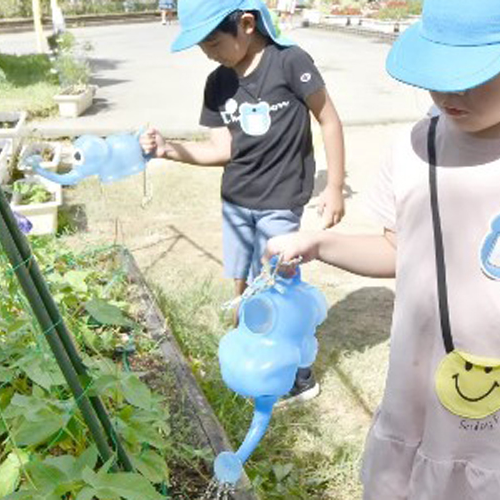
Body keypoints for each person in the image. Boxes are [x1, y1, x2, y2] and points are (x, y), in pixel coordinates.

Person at [265, 0, 500, 498]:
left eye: (476, 72)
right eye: (440, 69)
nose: (451, 91)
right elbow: (399, 251)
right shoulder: (414, 147)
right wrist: (320, 243)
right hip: (412, 406)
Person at [141, 0, 347, 404]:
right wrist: (169, 149)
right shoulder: (218, 83)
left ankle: (297, 377)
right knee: (242, 280)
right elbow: (222, 151)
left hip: (281, 200)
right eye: (202, 46)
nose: (208, 53)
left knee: (278, 285)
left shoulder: (290, 62)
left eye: (214, 43)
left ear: (247, 24)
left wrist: (335, 186)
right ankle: (252, 351)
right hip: (237, 200)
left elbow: (329, 119)